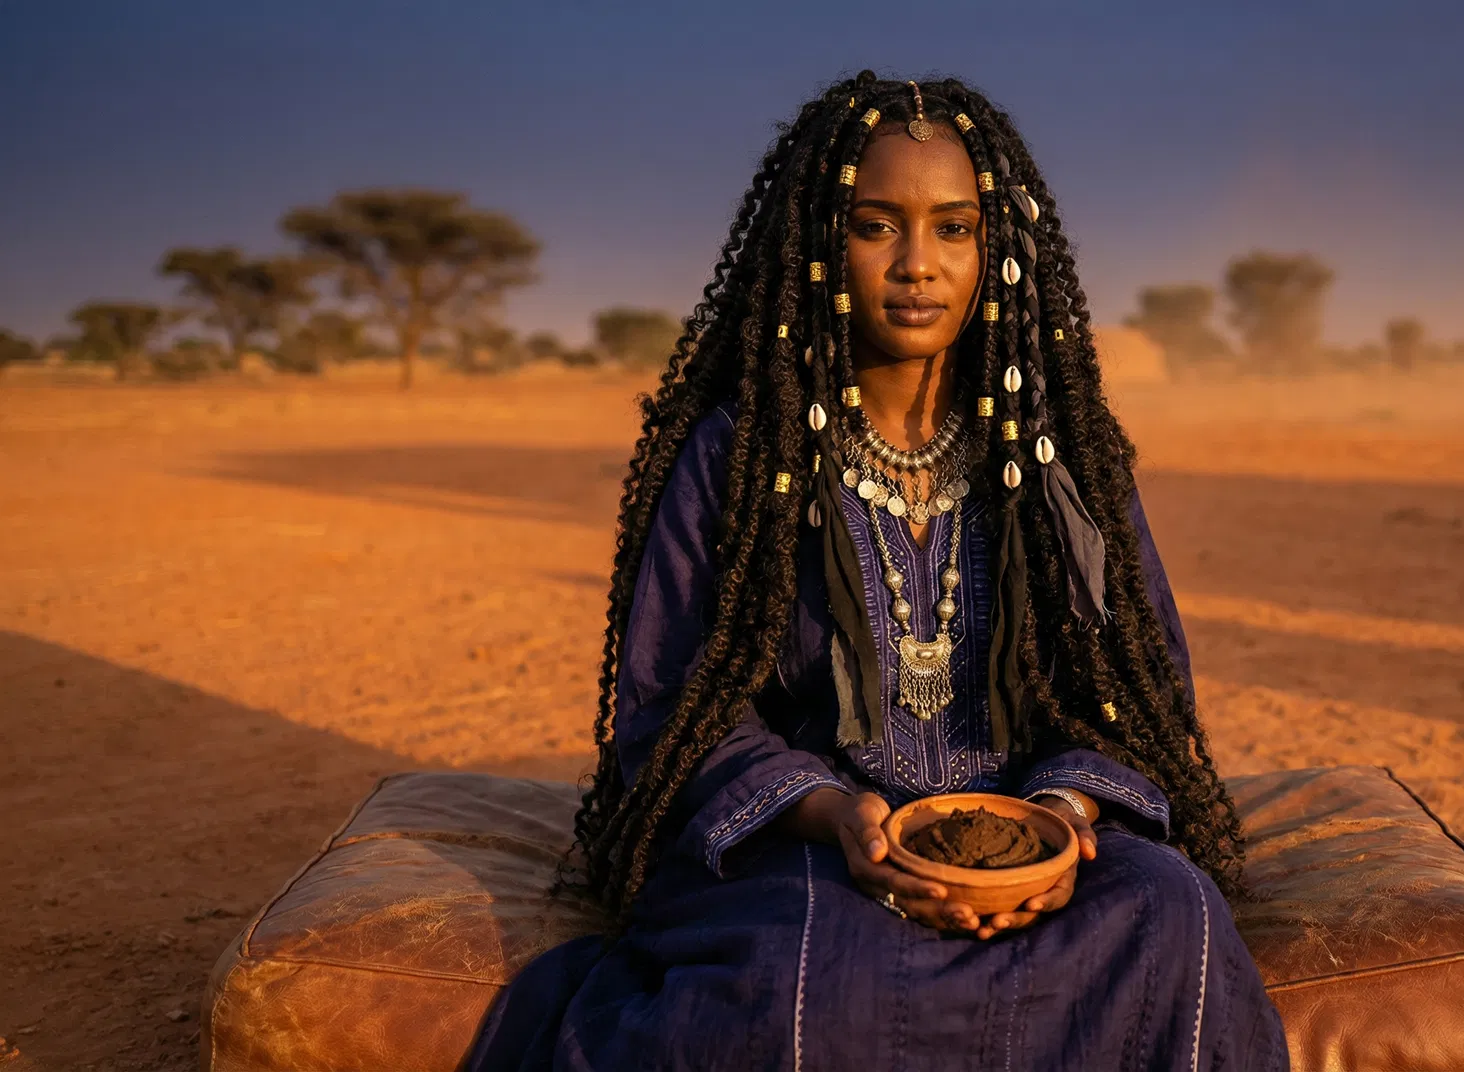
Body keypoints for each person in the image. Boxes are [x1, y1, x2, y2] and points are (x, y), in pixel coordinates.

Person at [464, 72, 1287, 1071]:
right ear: (821, 243)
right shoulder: (740, 456)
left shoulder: (1059, 466)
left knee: (1175, 919)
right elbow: (674, 703)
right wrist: (833, 814)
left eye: (953, 228)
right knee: (810, 985)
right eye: (875, 224)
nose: (915, 265)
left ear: (998, 251)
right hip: (810, 857)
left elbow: (1132, 690)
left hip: (1033, 844)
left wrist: (1061, 825)